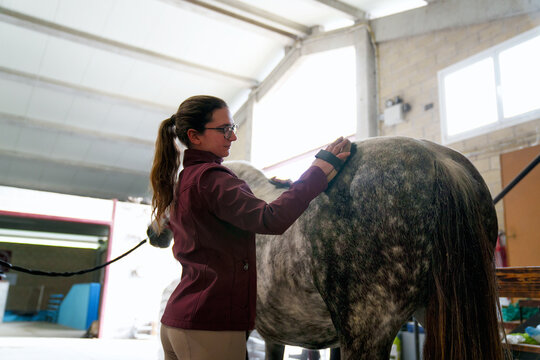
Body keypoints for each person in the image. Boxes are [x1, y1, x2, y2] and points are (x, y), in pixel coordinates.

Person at [149, 95, 351, 360]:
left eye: (233, 128)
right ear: (194, 136)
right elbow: (270, 219)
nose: (232, 137)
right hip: (210, 327)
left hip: (180, 321)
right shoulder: (212, 179)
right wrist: (316, 172)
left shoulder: (185, 180)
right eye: (225, 129)